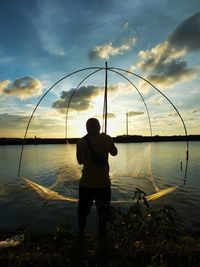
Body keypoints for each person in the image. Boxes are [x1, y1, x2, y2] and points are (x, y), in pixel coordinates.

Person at [76, 118, 118, 237]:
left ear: (87, 128)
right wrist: (108, 140)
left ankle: (81, 235)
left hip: (86, 184)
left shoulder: (81, 141)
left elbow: (79, 161)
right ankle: (102, 237)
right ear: (99, 127)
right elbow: (114, 152)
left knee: (82, 212)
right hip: (103, 184)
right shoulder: (107, 138)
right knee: (103, 212)